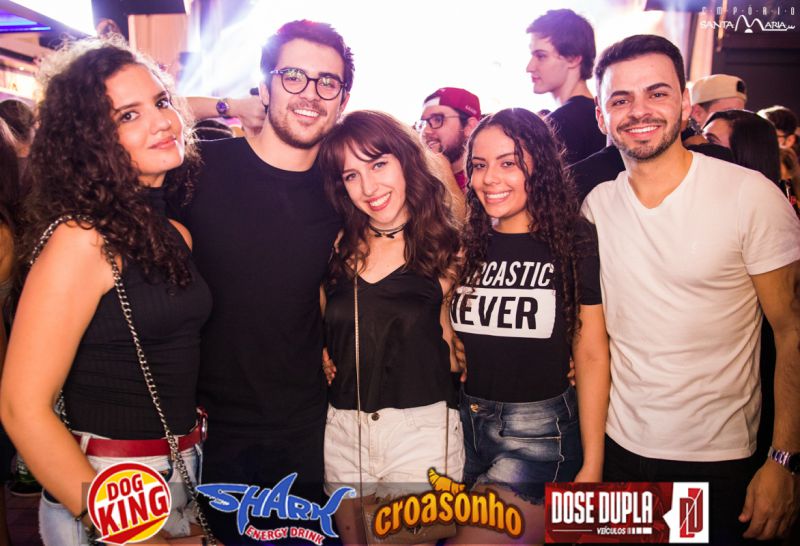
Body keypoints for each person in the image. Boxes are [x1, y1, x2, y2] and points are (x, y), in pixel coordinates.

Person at [583, 34, 800, 544]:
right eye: (621, 99)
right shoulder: (596, 205)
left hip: (715, 464)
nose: (639, 111)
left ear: (685, 104)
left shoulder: (749, 195)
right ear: (601, 117)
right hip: (615, 453)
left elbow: (792, 332)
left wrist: (784, 460)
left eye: (657, 93)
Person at [0, 38, 211, 544]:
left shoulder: (173, 233)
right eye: (128, 116)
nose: (162, 122)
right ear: (89, 141)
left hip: (179, 467)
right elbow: (22, 410)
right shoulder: (83, 239)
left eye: (161, 102)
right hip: (109, 483)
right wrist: (131, 529)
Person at [167, 20, 353, 544]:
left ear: (342, 99)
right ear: (265, 86)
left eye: (328, 82)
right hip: (203, 433)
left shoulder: (347, 192)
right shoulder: (199, 169)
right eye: (293, 76)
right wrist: (221, 106)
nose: (310, 93)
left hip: (307, 430)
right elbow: (111, 127)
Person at [450, 107, 610, 544]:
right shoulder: (469, 242)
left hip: (539, 437)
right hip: (463, 429)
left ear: (539, 166)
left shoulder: (573, 240)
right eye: (479, 165)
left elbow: (592, 353)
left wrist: (593, 464)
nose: (489, 178)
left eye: (509, 163)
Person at [317, 109, 464, 545]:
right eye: (351, 175)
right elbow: (318, 321)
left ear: (405, 160)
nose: (369, 188)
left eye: (379, 164)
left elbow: (467, 336)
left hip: (421, 431)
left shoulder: (448, 246)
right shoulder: (336, 245)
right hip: (343, 429)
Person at [526, 9, 606, 164]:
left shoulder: (560, 124)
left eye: (541, 56)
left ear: (573, 59)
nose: (530, 67)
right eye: (532, 55)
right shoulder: (601, 115)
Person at [415, 87, 481, 193]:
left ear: (469, 127)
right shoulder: (420, 176)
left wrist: (445, 174)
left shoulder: (485, 177)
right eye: (424, 123)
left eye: (438, 119)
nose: (426, 130)